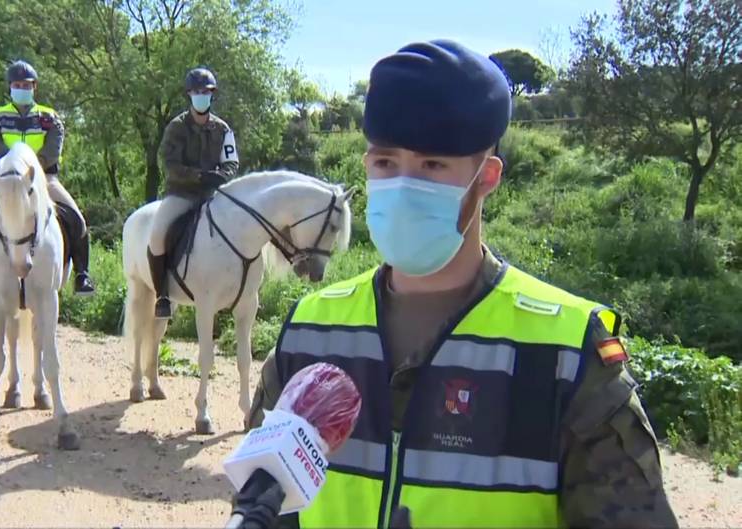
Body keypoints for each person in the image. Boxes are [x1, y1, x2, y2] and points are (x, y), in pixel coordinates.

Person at [242, 40, 679, 529]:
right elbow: (265, 505)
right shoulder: (310, 331)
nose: (403, 184)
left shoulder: (568, 353)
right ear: (366, 165)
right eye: (386, 163)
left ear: (486, 178)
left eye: (432, 165)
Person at [0, 60, 95, 297]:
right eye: (17, 84)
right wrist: (12, 173)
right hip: (3, 180)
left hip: (44, 179)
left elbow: (51, 151)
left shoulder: (50, 117)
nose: (22, 88)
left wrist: (31, 173)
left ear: (35, 87)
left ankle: (82, 275)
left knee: (77, 219)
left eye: (27, 85)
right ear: (9, 88)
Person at [147, 66, 240, 319]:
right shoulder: (176, 127)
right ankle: (162, 295)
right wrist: (197, 175)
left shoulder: (223, 129)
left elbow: (232, 161)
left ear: (212, 95)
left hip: (213, 194)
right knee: (156, 237)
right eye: (197, 92)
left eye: (206, 92)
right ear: (189, 95)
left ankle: (239, 292)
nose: (202, 96)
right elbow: (169, 163)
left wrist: (222, 175)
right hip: (182, 194)